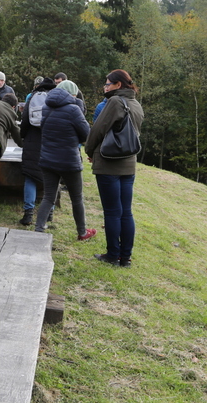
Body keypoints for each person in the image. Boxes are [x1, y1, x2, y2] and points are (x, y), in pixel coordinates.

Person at [84, 69, 144, 267]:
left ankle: (112, 254)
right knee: (126, 212)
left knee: (112, 211)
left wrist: (90, 151)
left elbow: (98, 129)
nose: (105, 87)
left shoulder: (115, 102)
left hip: (109, 163)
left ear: (118, 85)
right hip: (128, 165)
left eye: (108, 84)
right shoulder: (136, 105)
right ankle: (125, 258)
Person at [34, 80, 95, 241]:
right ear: (71, 94)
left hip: (47, 159)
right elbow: (86, 134)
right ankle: (82, 232)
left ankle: (38, 228)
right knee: (77, 198)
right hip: (69, 161)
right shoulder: (74, 109)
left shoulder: (46, 107)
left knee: (48, 196)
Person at [19, 77, 56, 225]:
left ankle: (28, 214)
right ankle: (49, 213)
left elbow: (25, 120)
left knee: (30, 176)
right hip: (51, 142)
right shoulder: (56, 99)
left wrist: (24, 136)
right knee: (51, 179)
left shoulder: (33, 97)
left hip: (32, 141)